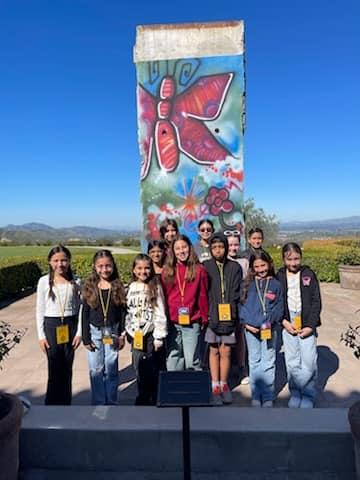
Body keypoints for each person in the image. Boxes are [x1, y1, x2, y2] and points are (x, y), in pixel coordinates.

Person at [277, 242, 321, 408]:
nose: (294, 263)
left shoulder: (308, 274)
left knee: (309, 361)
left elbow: (316, 301)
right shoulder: (279, 276)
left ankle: (308, 395)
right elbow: (277, 301)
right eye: (290, 259)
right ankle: (295, 392)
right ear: (284, 259)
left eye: (296, 259)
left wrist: (311, 325)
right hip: (289, 322)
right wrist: (284, 321)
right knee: (292, 360)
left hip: (306, 321)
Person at [36, 245, 81, 405]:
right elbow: (40, 310)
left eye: (63, 260)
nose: (60, 264)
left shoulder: (75, 281)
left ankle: (65, 402)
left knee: (67, 366)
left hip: (70, 324)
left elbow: (80, 308)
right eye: (56, 260)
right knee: (54, 366)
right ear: (50, 261)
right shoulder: (43, 282)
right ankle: (52, 403)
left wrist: (79, 332)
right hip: (51, 325)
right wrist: (41, 336)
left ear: (69, 261)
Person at [82, 249, 126, 405]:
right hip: (94, 332)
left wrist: (121, 334)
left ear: (113, 265)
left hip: (112, 332)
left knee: (111, 368)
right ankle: (99, 401)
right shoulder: (90, 286)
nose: (104, 269)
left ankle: (112, 400)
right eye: (100, 266)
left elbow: (122, 313)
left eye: (108, 265)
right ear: (95, 267)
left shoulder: (118, 285)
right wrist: (85, 338)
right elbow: (85, 314)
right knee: (96, 369)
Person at [240, 250, 283, 407]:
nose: (260, 270)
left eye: (263, 265)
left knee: (269, 361)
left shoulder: (276, 285)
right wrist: (247, 324)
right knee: (255, 360)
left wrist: (270, 322)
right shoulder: (247, 284)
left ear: (269, 264)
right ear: (252, 268)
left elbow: (279, 307)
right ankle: (256, 394)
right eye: (256, 267)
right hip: (251, 329)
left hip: (269, 329)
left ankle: (268, 395)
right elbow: (241, 306)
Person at [203, 232, 241, 405]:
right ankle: (214, 385)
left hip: (230, 315)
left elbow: (238, 292)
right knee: (213, 350)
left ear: (226, 248)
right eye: (214, 247)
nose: (218, 250)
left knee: (226, 350)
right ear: (210, 249)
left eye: (221, 247)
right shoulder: (205, 266)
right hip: (212, 315)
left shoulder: (235, 267)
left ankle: (224, 385)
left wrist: (233, 313)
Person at [161, 234, 209, 371]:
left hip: (192, 322)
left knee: (192, 361)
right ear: (173, 251)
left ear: (190, 248)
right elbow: (164, 296)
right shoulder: (167, 271)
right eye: (178, 248)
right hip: (173, 323)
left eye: (184, 247)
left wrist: (204, 318)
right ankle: (175, 389)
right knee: (173, 358)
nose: (181, 251)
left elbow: (203, 295)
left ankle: (193, 390)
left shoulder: (199, 270)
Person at [126, 254, 167, 405]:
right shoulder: (130, 288)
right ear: (134, 270)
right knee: (138, 368)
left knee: (152, 369)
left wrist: (159, 337)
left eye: (147, 268)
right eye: (139, 268)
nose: (143, 271)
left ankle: (154, 397)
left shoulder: (155, 286)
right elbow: (128, 311)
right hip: (135, 335)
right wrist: (127, 331)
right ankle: (142, 396)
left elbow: (160, 312)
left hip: (150, 335)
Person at [225, 230, 249, 385]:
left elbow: (247, 284)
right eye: (230, 245)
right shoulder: (220, 261)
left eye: (236, 244)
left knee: (240, 337)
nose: (233, 248)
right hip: (225, 306)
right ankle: (225, 370)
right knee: (226, 338)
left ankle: (241, 366)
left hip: (240, 304)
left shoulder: (244, 262)